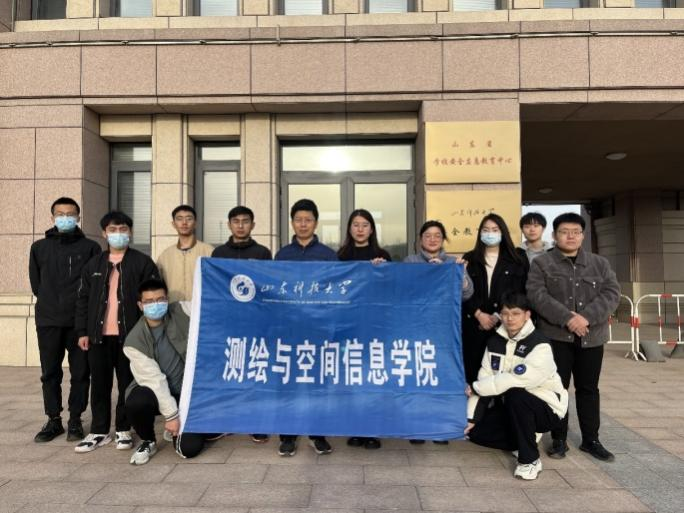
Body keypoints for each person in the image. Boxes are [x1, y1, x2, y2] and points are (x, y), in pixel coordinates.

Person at [527, 212, 620, 462]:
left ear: (583, 235)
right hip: (556, 337)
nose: (570, 236)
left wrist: (585, 318)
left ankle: (591, 440)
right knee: (558, 388)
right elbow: (537, 295)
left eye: (576, 232)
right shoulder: (542, 264)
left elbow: (611, 294)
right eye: (564, 232)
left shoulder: (599, 263)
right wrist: (568, 318)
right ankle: (559, 439)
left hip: (592, 337)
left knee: (588, 389)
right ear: (554, 235)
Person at [74, 211, 159, 453]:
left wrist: (148, 334)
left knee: (127, 384)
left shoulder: (143, 263)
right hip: (98, 336)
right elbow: (82, 300)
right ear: (104, 233)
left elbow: (153, 299)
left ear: (130, 232)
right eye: (113, 230)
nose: (118, 234)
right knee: (99, 384)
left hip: (130, 337)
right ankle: (99, 431)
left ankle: (124, 428)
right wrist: (82, 332)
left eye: (123, 229)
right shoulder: (93, 264)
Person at [465, 292, 568, 481]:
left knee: (516, 394)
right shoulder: (494, 342)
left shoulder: (540, 344)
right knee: (474, 432)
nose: (509, 318)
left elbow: (516, 380)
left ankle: (530, 460)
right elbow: (485, 378)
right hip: (514, 409)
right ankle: (523, 437)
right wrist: (471, 418)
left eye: (516, 313)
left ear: (527, 315)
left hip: (547, 409)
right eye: (505, 313)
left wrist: (476, 387)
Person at [124, 279, 222, 464]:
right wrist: (171, 416)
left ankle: (192, 426)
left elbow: (210, 305)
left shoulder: (181, 310)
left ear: (167, 299)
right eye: (149, 301)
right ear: (140, 305)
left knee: (189, 448)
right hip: (155, 393)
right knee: (137, 402)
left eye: (160, 299)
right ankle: (148, 440)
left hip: (187, 393)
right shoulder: (134, 341)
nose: (156, 304)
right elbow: (155, 382)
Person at [29, 197, 102, 443]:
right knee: (50, 372)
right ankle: (53, 420)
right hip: (48, 320)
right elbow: (37, 285)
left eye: (70, 214)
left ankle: (75, 420)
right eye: (60, 214)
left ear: (78, 217)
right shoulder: (39, 248)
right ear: (52, 218)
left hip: (79, 323)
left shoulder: (91, 248)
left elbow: (94, 285)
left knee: (81, 373)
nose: (65, 218)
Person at [274, 199, 337, 456]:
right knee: (287, 383)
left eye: (308, 220)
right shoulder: (282, 255)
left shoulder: (328, 255)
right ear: (292, 223)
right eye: (298, 220)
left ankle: (317, 434)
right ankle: (287, 436)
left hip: (318, 329)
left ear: (315, 223)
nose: (303, 224)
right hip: (288, 329)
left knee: (317, 383)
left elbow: (337, 291)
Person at [404, 220, 474, 445]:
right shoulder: (410, 262)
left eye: (437, 235)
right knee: (417, 377)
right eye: (428, 235)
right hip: (416, 329)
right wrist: (428, 273)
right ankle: (417, 428)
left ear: (443, 239)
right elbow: (404, 291)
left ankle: (441, 427)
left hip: (444, 332)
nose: (432, 239)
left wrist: (457, 273)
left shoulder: (454, 262)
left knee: (442, 378)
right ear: (420, 239)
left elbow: (467, 294)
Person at [212, 205, 272, 444]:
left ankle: (256, 422)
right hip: (228, 322)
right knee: (230, 370)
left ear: (253, 225)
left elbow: (268, 286)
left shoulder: (263, 252)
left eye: (245, 221)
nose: (240, 225)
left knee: (255, 371)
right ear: (229, 225)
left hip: (255, 322)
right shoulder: (218, 254)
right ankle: (228, 419)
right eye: (235, 221)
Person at [338, 209, 390, 450]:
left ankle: (373, 431)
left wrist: (382, 271)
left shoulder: (382, 255)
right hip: (349, 326)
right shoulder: (340, 256)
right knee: (352, 379)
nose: (360, 229)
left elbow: (391, 288)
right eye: (355, 224)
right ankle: (355, 428)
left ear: (372, 229)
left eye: (365, 224)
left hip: (375, 326)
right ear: (349, 228)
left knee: (373, 378)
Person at [462, 214, 528, 386]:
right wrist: (478, 314)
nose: (490, 233)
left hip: (506, 325)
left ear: (502, 232)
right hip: (474, 325)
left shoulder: (517, 259)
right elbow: (463, 292)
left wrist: (498, 316)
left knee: (502, 377)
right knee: (474, 376)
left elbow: (520, 292)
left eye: (494, 229)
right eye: (485, 230)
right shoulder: (470, 258)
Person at [156, 205, 214, 303]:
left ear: (195, 223)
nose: (184, 223)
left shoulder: (209, 251)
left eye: (189, 219)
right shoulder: (165, 256)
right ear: (173, 224)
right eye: (179, 219)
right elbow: (158, 286)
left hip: (201, 306)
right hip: (174, 308)